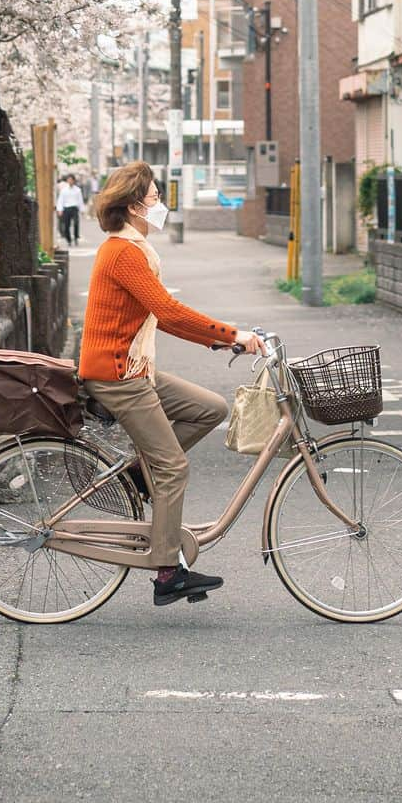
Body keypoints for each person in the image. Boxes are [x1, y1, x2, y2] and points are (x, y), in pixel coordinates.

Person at [77, 159, 266, 609]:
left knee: (210, 408)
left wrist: (221, 341)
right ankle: (166, 572)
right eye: (155, 196)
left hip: (134, 367)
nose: (161, 203)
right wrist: (232, 335)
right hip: (119, 374)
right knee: (174, 469)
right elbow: (169, 312)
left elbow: (162, 316)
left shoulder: (133, 248)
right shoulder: (123, 251)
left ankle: (139, 473)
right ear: (134, 204)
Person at [56, 172, 85, 246]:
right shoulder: (64, 190)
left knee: (76, 223)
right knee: (66, 225)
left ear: (74, 180)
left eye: (71, 180)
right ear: (67, 181)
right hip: (66, 209)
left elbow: (80, 200)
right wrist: (60, 209)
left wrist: (82, 210)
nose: (70, 181)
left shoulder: (78, 190)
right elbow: (61, 200)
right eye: (68, 180)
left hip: (74, 208)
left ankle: (76, 237)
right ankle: (68, 239)